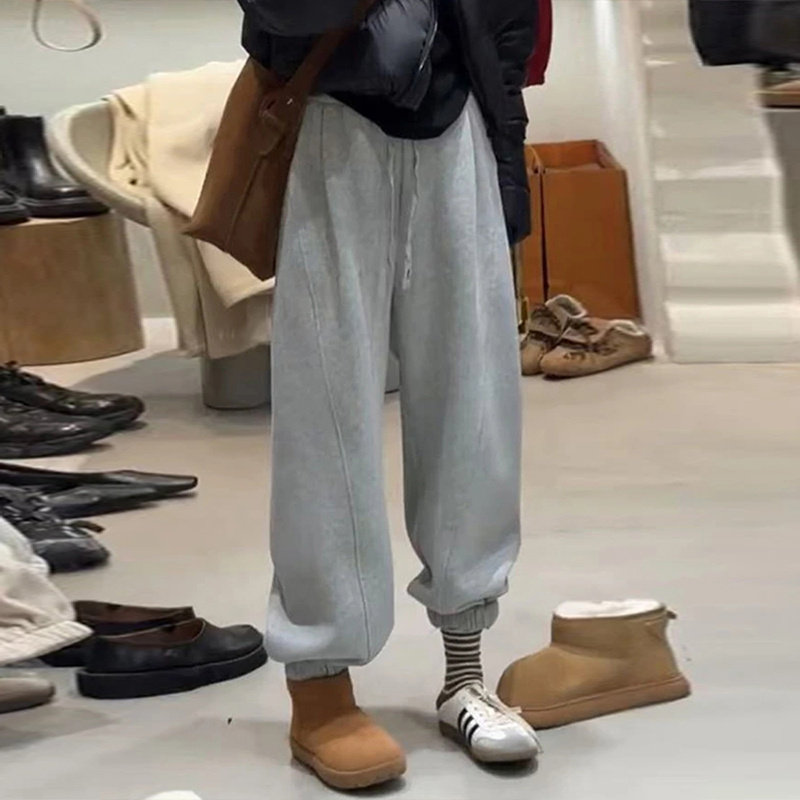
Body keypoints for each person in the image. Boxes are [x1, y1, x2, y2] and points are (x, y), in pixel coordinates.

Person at [238, 0, 541, 789]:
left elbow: (505, 28)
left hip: (460, 123)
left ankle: (466, 674)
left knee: (475, 401)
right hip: (329, 119)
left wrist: (507, 161)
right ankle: (320, 688)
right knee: (324, 407)